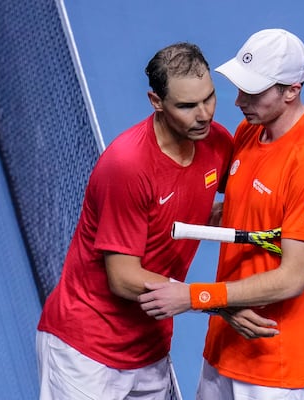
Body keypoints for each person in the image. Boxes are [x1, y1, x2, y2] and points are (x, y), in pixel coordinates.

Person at [138, 29, 304, 399]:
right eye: (238, 87)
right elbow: (237, 209)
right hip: (227, 346)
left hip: (280, 367)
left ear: (291, 90)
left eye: (253, 92)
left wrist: (195, 296)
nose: (238, 101)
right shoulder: (250, 133)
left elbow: (290, 280)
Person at [36, 42, 234, 399]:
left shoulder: (216, 142)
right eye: (187, 106)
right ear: (156, 102)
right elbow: (124, 279)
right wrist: (213, 299)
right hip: (86, 352)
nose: (204, 114)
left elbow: (248, 198)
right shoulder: (128, 166)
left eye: (209, 98)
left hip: (149, 350)